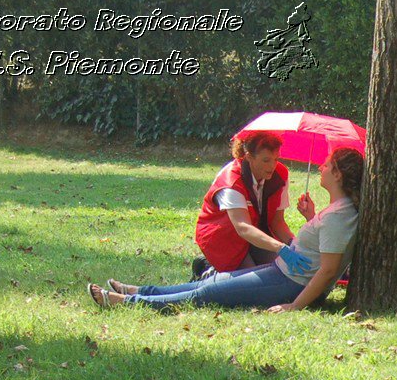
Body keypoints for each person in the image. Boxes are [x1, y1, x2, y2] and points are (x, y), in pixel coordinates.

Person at [87, 148, 362, 314]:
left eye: (327, 165)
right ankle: (142, 290)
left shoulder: (340, 215)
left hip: (291, 283)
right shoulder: (336, 210)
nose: (321, 167)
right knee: (212, 282)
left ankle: (128, 301)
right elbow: (322, 246)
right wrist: (311, 217)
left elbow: (327, 270)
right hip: (283, 272)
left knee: (208, 295)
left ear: (337, 175)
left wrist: (295, 306)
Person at [191, 132, 305, 279]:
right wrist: (280, 248)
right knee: (251, 282)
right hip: (223, 238)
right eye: (266, 160)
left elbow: (278, 222)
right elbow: (243, 227)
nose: (272, 166)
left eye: (276, 159)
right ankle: (206, 271)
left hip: (256, 234)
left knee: (280, 272)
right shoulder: (231, 180)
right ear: (249, 157)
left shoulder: (280, 175)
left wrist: (294, 245)